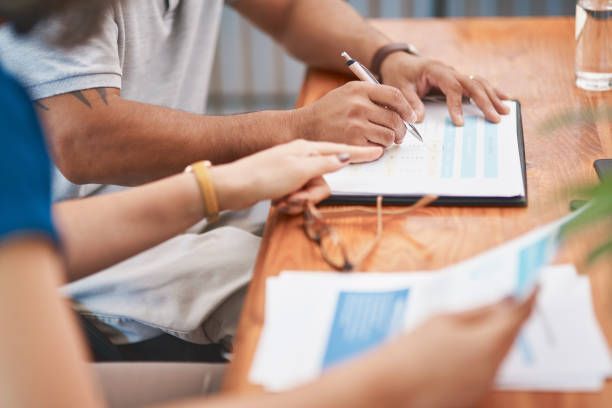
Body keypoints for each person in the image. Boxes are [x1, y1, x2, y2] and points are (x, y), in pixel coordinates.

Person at [0, 5, 535, 406]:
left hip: (166, 205)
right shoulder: (16, 113)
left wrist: (387, 56)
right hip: (97, 263)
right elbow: (82, 137)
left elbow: (289, 8)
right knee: (343, 316)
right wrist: (388, 382)